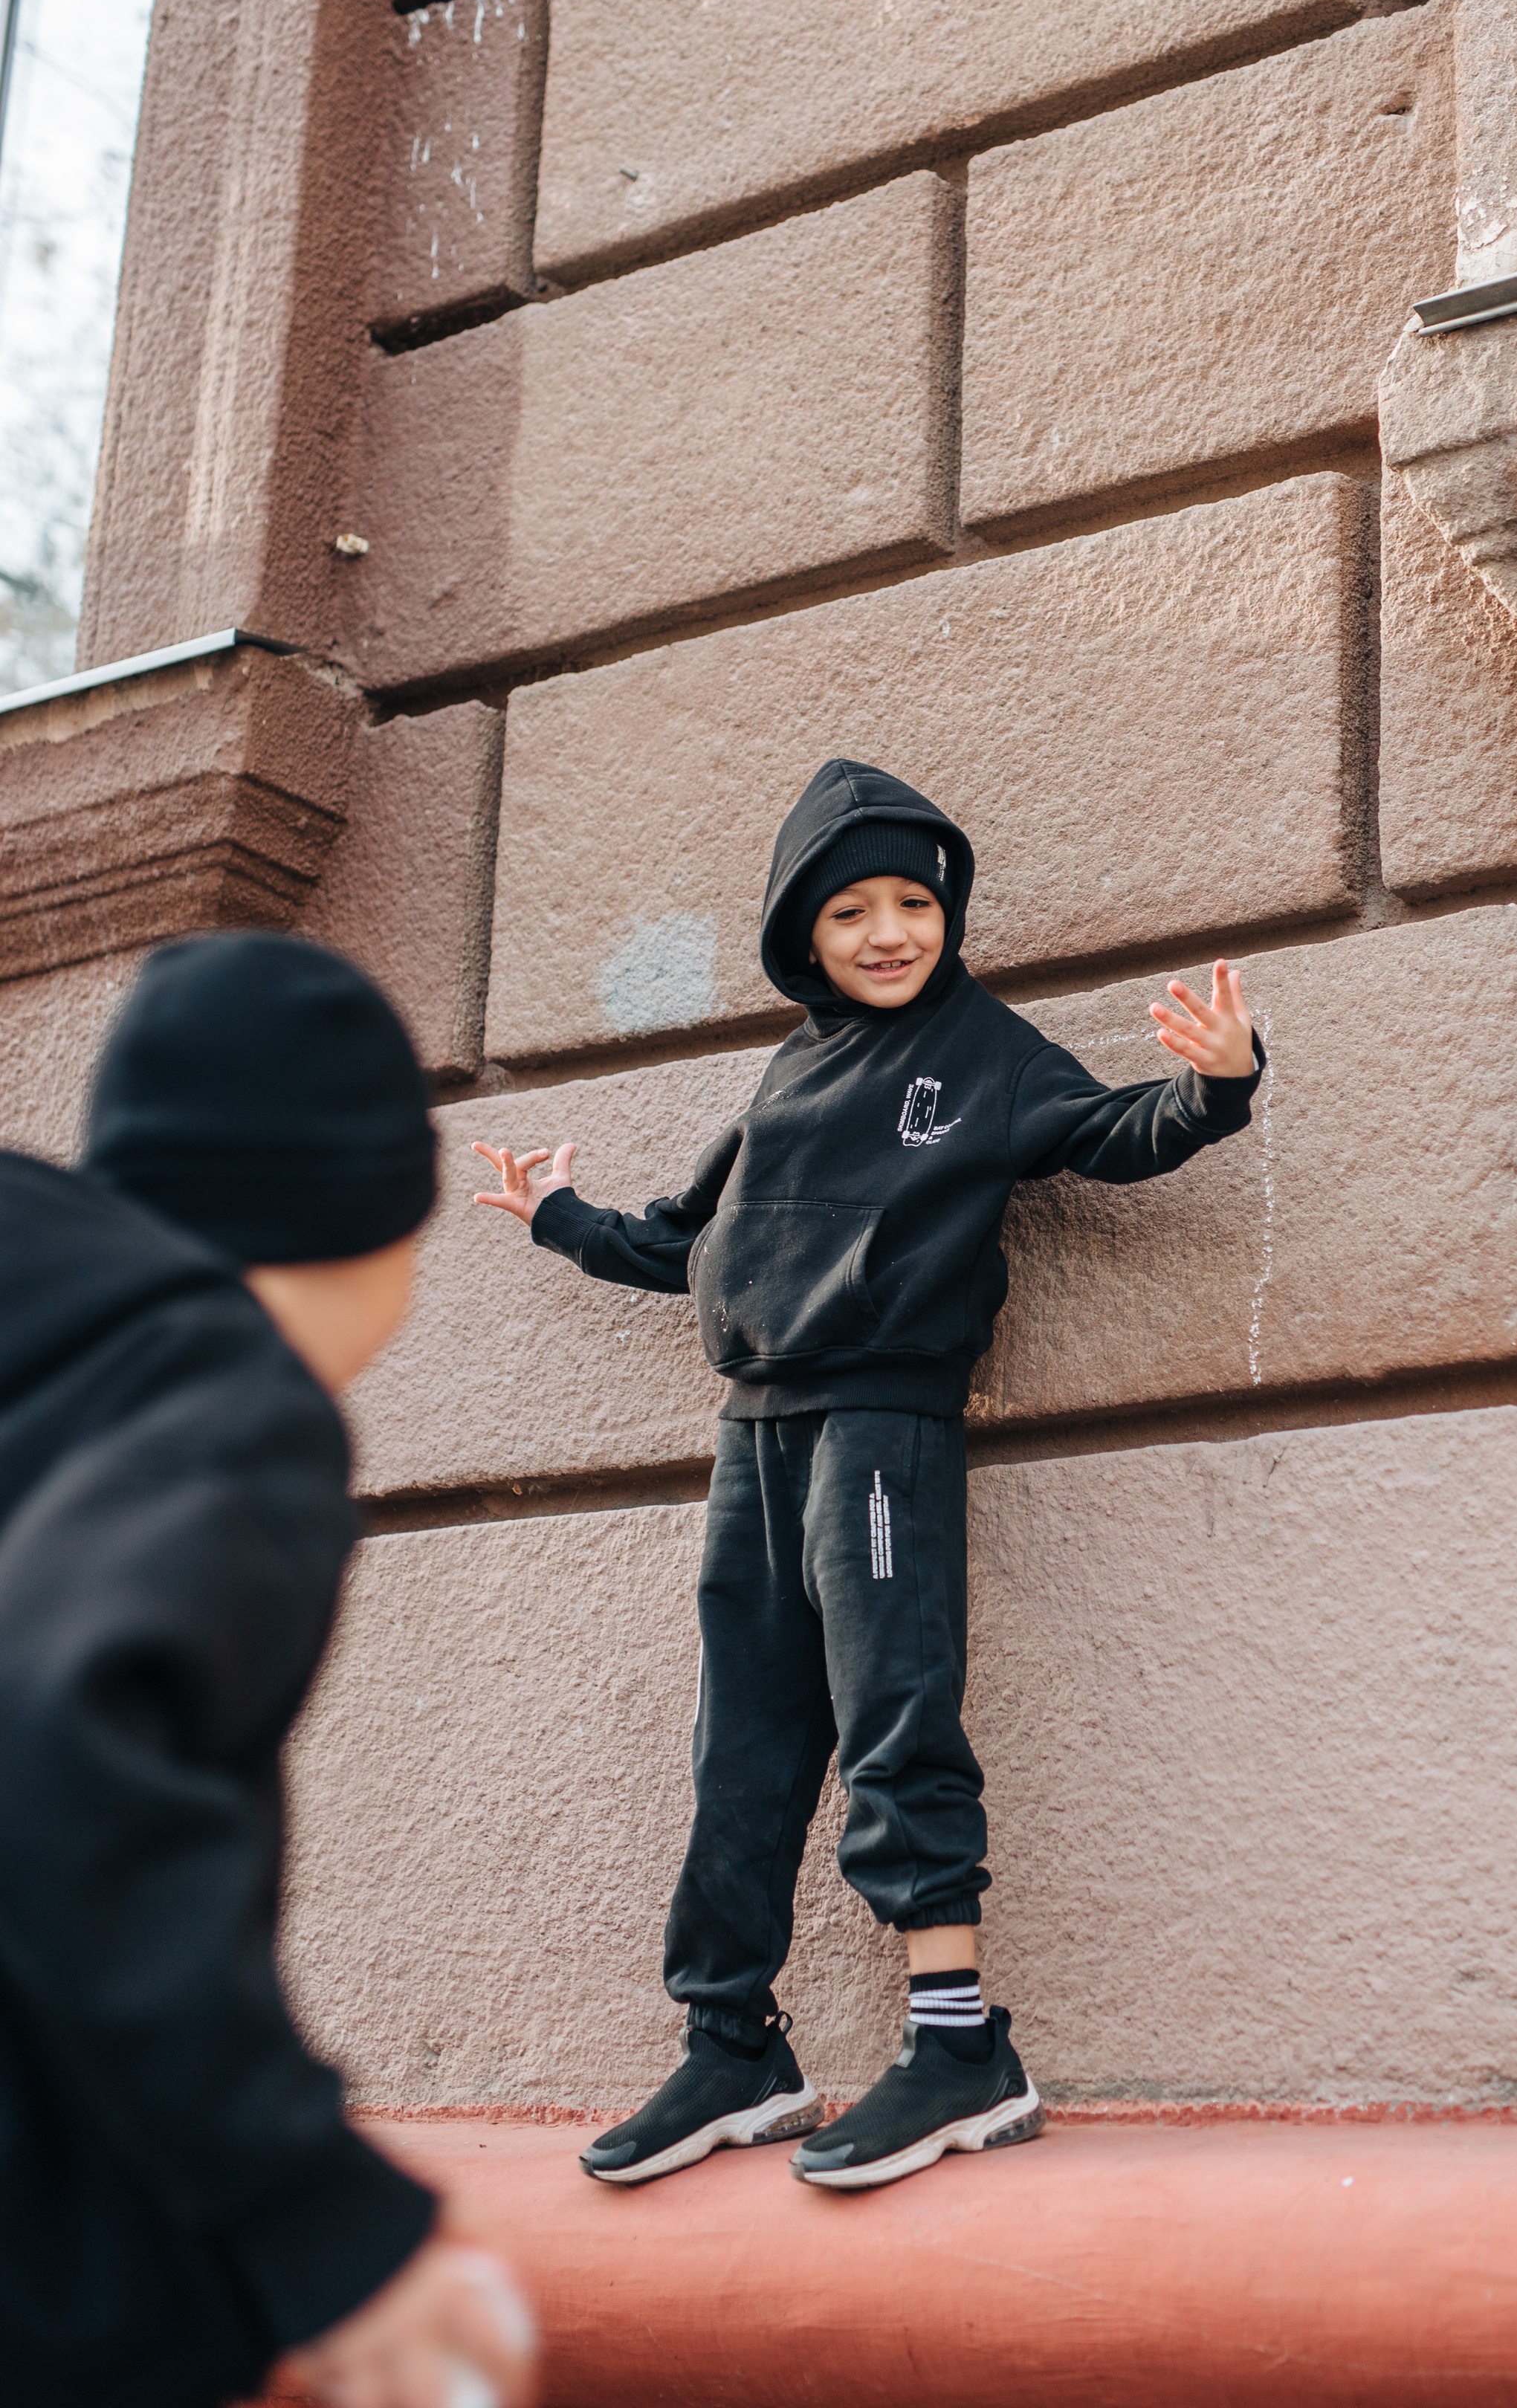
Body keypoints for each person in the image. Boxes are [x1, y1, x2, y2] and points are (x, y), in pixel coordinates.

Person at [474, 760, 1261, 2194]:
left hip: (886, 1424)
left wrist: (1213, 1087)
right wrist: (561, 1218)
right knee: (741, 1740)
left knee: (895, 1715)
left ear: (948, 914)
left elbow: (1110, 1135)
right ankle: (733, 2046)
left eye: (914, 902)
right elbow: (688, 1242)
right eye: (850, 911)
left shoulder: (987, 1053)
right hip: (757, 1435)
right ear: (803, 933)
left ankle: (960, 2048)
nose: (889, 931)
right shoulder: (788, 1074)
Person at [0, 933, 537, 2408]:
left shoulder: (53, 1362)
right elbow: (55, 1752)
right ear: (372, 1227)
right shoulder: (233, 1405)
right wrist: (327, 2225)